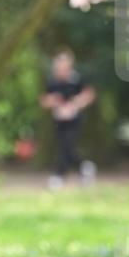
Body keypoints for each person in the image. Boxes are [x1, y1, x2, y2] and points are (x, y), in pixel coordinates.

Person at [40, 49, 96, 189]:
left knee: (67, 146)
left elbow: (89, 95)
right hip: (59, 120)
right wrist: (52, 101)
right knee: (67, 149)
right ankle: (85, 167)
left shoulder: (77, 79)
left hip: (74, 119)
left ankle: (58, 177)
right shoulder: (52, 81)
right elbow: (44, 100)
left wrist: (76, 103)